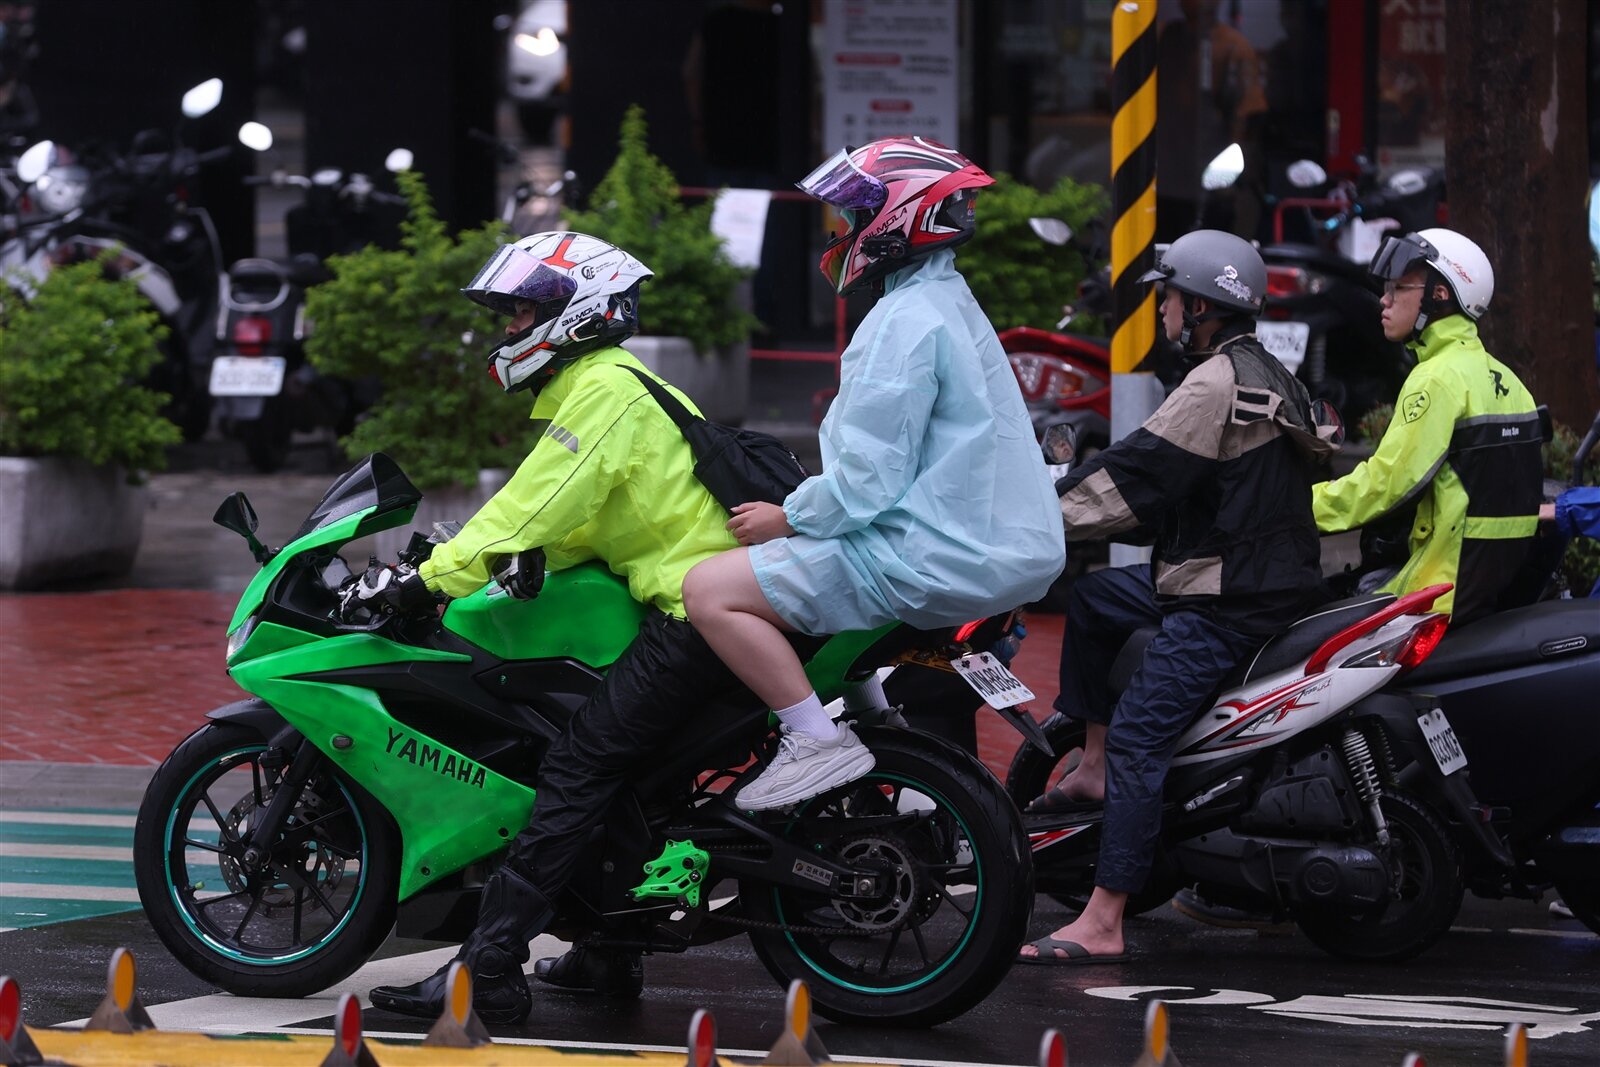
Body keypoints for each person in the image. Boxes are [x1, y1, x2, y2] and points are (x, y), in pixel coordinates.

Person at [363, 231, 754, 1023]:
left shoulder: (604, 390)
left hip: (696, 610)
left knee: (579, 763)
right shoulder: (613, 383)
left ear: (577, 314)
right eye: (510, 313)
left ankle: (491, 969)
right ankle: (610, 952)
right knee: (637, 770)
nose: (510, 328)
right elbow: (586, 514)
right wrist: (524, 558)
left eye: (523, 312)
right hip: (697, 598)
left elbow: (532, 505)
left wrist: (425, 578)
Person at [1172, 227, 1545, 929]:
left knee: (1293, 665)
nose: (1383, 300)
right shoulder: (1500, 375)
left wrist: (1281, 509)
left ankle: (1262, 859)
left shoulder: (1435, 380)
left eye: (1398, 288)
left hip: (1431, 591)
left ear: (1439, 295)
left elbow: (1381, 486)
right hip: (1477, 586)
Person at [681, 136, 1065, 811]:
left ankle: (812, 739)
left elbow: (865, 481)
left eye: (852, 216)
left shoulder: (900, 321)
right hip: (995, 547)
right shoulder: (947, 297)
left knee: (709, 587)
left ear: (894, 220)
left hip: (938, 554)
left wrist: (788, 517)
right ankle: (892, 745)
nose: (841, 232)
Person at [1018, 230, 1335, 964]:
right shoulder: (1271, 371)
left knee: (1141, 734)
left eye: (1168, 296)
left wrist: (1033, 513)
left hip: (1227, 595)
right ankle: (1090, 768)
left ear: (1200, 305)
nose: (1160, 308)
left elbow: (1136, 477)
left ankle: (1103, 919)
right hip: (1254, 574)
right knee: (1096, 602)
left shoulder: (1214, 383)